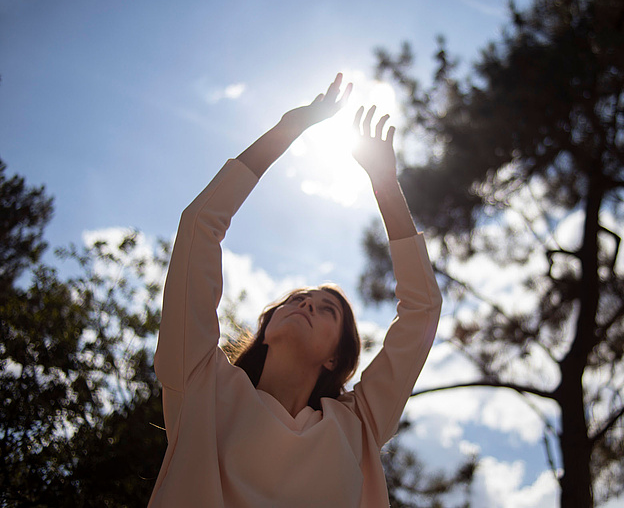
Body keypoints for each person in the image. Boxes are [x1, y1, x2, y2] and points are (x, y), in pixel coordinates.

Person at [147, 74, 442, 507]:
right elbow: (199, 228)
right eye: (296, 300)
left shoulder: (358, 425)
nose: (305, 303)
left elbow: (422, 310)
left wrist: (384, 184)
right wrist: (290, 128)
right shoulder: (202, 384)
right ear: (265, 331)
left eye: (327, 310)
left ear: (335, 358)